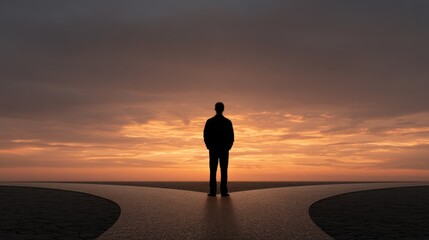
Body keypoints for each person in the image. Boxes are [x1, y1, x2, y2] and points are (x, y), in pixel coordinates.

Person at [204, 102, 234, 197]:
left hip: (214, 149)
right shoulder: (227, 122)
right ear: (223, 109)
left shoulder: (210, 121)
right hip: (223, 150)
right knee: (224, 170)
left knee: (213, 170)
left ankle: (213, 192)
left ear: (215, 109)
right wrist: (227, 147)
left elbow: (205, 135)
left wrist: (209, 146)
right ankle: (223, 192)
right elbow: (231, 137)